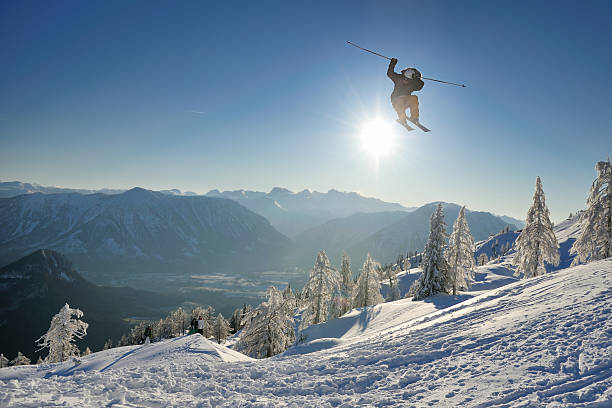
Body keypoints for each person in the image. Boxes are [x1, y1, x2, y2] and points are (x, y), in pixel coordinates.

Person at [387, 57, 424, 125]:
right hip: (396, 100)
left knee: (414, 98)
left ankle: (414, 117)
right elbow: (390, 73)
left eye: (408, 80)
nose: (406, 81)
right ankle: (402, 118)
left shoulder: (412, 84)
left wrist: (417, 79)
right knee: (400, 100)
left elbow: (420, 86)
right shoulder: (398, 78)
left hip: (406, 101)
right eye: (405, 79)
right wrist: (393, 63)